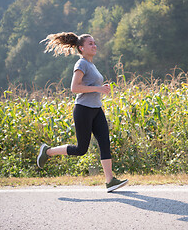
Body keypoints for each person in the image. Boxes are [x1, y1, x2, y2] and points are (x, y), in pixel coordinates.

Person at [37, 32, 128, 192]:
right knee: (81, 149)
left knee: (105, 142)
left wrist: (102, 88)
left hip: (96, 109)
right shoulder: (81, 64)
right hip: (83, 110)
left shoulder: (91, 64)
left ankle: (110, 181)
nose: (94, 46)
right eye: (90, 44)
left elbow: (91, 85)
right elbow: (74, 88)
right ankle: (48, 151)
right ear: (81, 48)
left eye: (94, 43)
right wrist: (98, 88)